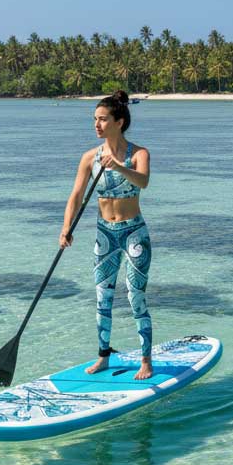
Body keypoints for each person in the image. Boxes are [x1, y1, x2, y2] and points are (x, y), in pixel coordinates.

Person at [60, 90, 153, 380]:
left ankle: (146, 361)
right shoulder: (90, 157)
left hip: (133, 232)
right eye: (95, 120)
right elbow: (76, 195)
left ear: (119, 121)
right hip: (105, 233)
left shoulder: (139, 154)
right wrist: (66, 227)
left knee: (135, 295)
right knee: (103, 297)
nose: (96, 125)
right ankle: (103, 356)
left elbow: (144, 182)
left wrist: (121, 167)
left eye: (102, 119)